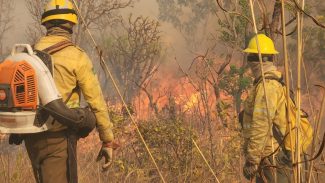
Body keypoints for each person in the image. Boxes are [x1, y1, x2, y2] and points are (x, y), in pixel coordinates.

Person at [21, 0, 115, 182]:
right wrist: (107, 140)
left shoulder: (29, 54)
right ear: (71, 23)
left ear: (45, 23)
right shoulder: (77, 57)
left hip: (31, 138)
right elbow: (96, 102)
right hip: (59, 139)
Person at [241, 34, 292, 182]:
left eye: (251, 57)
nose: (250, 62)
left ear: (260, 59)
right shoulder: (269, 82)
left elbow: (261, 124)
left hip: (272, 160)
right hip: (269, 158)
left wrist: (252, 160)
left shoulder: (266, 87)